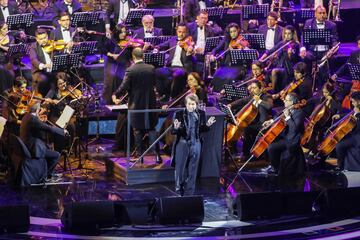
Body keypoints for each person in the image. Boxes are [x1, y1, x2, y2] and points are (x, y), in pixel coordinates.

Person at [112, 47, 162, 164]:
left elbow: (124, 87)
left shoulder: (131, 70)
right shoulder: (151, 68)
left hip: (136, 105)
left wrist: (115, 95)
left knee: (137, 131)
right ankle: (158, 156)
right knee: (152, 129)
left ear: (133, 57)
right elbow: (156, 85)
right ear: (143, 56)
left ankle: (140, 156)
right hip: (150, 104)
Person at [172, 93, 216, 196]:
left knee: (193, 169)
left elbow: (201, 129)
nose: (191, 106)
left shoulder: (201, 113)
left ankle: (190, 192)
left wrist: (207, 125)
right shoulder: (179, 114)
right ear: (185, 104)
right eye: (189, 104)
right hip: (183, 143)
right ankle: (179, 190)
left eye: (193, 104)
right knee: (180, 169)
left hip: (196, 143)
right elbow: (173, 131)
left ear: (196, 104)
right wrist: (177, 128)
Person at [20, 103, 67, 181]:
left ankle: (48, 173)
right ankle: (48, 175)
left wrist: (41, 121)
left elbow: (37, 125)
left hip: (27, 145)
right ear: (38, 110)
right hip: (32, 148)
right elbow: (49, 128)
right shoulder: (33, 119)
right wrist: (62, 131)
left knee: (47, 147)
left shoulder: (27, 116)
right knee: (56, 155)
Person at [262, 92, 306, 176]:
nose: (284, 102)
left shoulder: (299, 113)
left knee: (271, 147)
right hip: (285, 136)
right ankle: (275, 166)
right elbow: (278, 116)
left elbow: (295, 129)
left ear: (292, 102)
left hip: (292, 140)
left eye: (286, 100)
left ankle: (276, 168)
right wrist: (270, 121)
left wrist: (288, 117)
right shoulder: (287, 110)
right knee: (270, 142)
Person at [228, 81, 273, 159]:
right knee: (237, 125)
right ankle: (233, 151)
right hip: (253, 122)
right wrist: (231, 105)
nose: (252, 89)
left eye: (255, 88)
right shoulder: (252, 96)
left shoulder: (266, 96)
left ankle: (246, 154)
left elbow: (269, 106)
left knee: (246, 130)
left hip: (262, 123)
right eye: (251, 88)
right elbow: (242, 101)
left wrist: (259, 100)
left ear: (261, 88)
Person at [154, 23, 195, 100]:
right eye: (179, 32)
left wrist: (190, 50)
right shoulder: (173, 39)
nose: (181, 34)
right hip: (171, 67)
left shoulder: (190, 41)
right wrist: (157, 48)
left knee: (177, 74)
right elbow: (162, 45)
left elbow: (192, 50)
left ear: (186, 32)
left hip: (182, 68)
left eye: (183, 32)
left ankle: (172, 97)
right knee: (156, 71)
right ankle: (162, 94)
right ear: (177, 31)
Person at [303, 5, 338, 87]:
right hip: (313, 51)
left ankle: (328, 83)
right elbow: (304, 38)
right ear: (315, 14)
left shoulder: (332, 25)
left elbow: (334, 39)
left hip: (326, 51)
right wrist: (303, 49)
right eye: (320, 13)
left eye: (324, 13)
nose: (322, 15)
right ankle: (308, 81)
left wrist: (334, 48)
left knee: (333, 58)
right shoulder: (308, 23)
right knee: (306, 57)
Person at [260, 25, 300, 93]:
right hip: (280, 65)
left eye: (289, 33)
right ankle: (265, 91)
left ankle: (274, 90)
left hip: (288, 68)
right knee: (266, 71)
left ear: (293, 34)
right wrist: (261, 59)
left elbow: (294, 59)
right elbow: (271, 50)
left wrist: (290, 54)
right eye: (285, 33)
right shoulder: (282, 43)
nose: (287, 35)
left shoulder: (295, 45)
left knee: (274, 71)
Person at [103, 24, 133, 104]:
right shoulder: (111, 42)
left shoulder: (128, 42)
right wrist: (112, 55)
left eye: (124, 32)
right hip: (114, 65)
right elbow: (103, 50)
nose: (124, 34)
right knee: (114, 78)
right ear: (117, 32)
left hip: (126, 65)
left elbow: (131, 55)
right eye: (121, 32)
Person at [334, 91, 360, 171]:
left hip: (357, 137)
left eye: (353, 101)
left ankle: (340, 166)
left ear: (359, 101)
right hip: (353, 134)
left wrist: (358, 116)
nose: (352, 103)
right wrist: (340, 115)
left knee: (339, 146)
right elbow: (350, 114)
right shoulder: (356, 108)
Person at [29, 28, 54, 97]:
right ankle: (41, 99)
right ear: (37, 39)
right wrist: (43, 65)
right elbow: (34, 60)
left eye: (45, 38)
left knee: (63, 75)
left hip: (53, 70)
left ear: (47, 37)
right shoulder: (33, 47)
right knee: (43, 79)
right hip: (39, 72)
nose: (43, 40)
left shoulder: (52, 44)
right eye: (41, 39)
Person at [0, 21, 14, 94]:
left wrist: (0, 45)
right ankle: (4, 92)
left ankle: (11, 91)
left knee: (11, 74)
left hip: (8, 61)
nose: (6, 30)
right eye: (4, 29)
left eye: (7, 28)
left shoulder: (11, 37)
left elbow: (9, 49)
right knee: (1, 69)